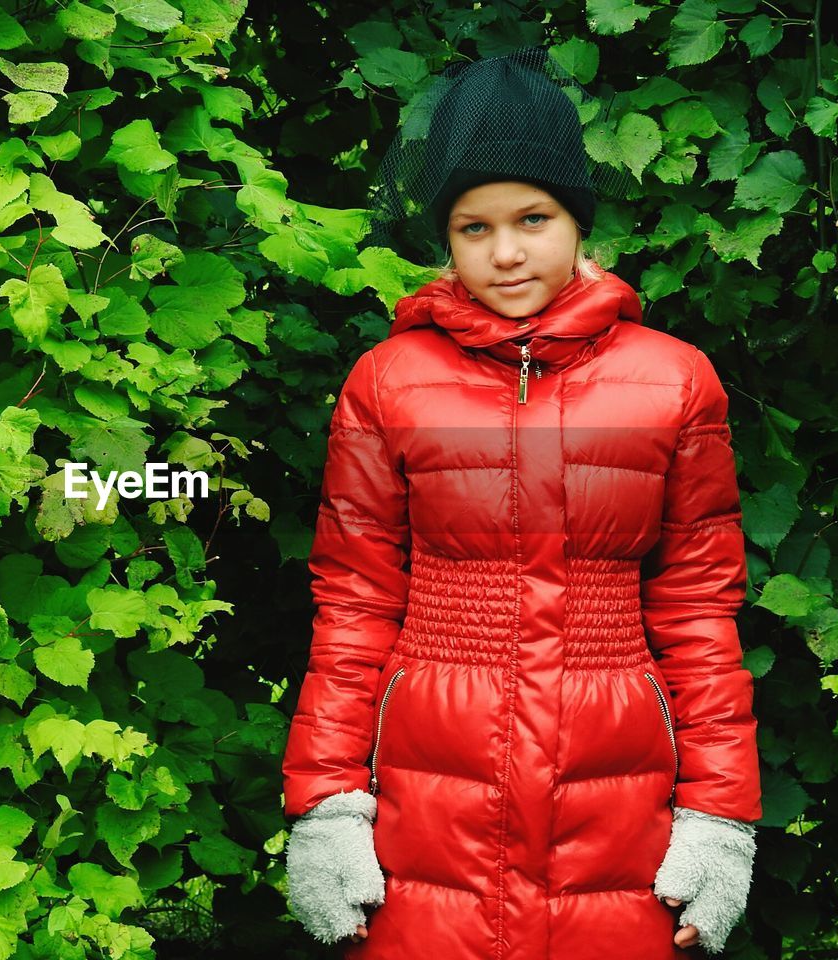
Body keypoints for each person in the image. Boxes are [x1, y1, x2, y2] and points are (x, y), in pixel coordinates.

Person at [280, 48, 761, 959]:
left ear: (577, 217)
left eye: (533, 218)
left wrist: (720, 818)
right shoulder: (386, 383)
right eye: (472, 227)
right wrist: (327, 806)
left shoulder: (675, 382)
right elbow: (353, 602)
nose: (505, 253)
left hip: (618, 784)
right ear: (445, 238)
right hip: (429, 778)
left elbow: (700, 610)